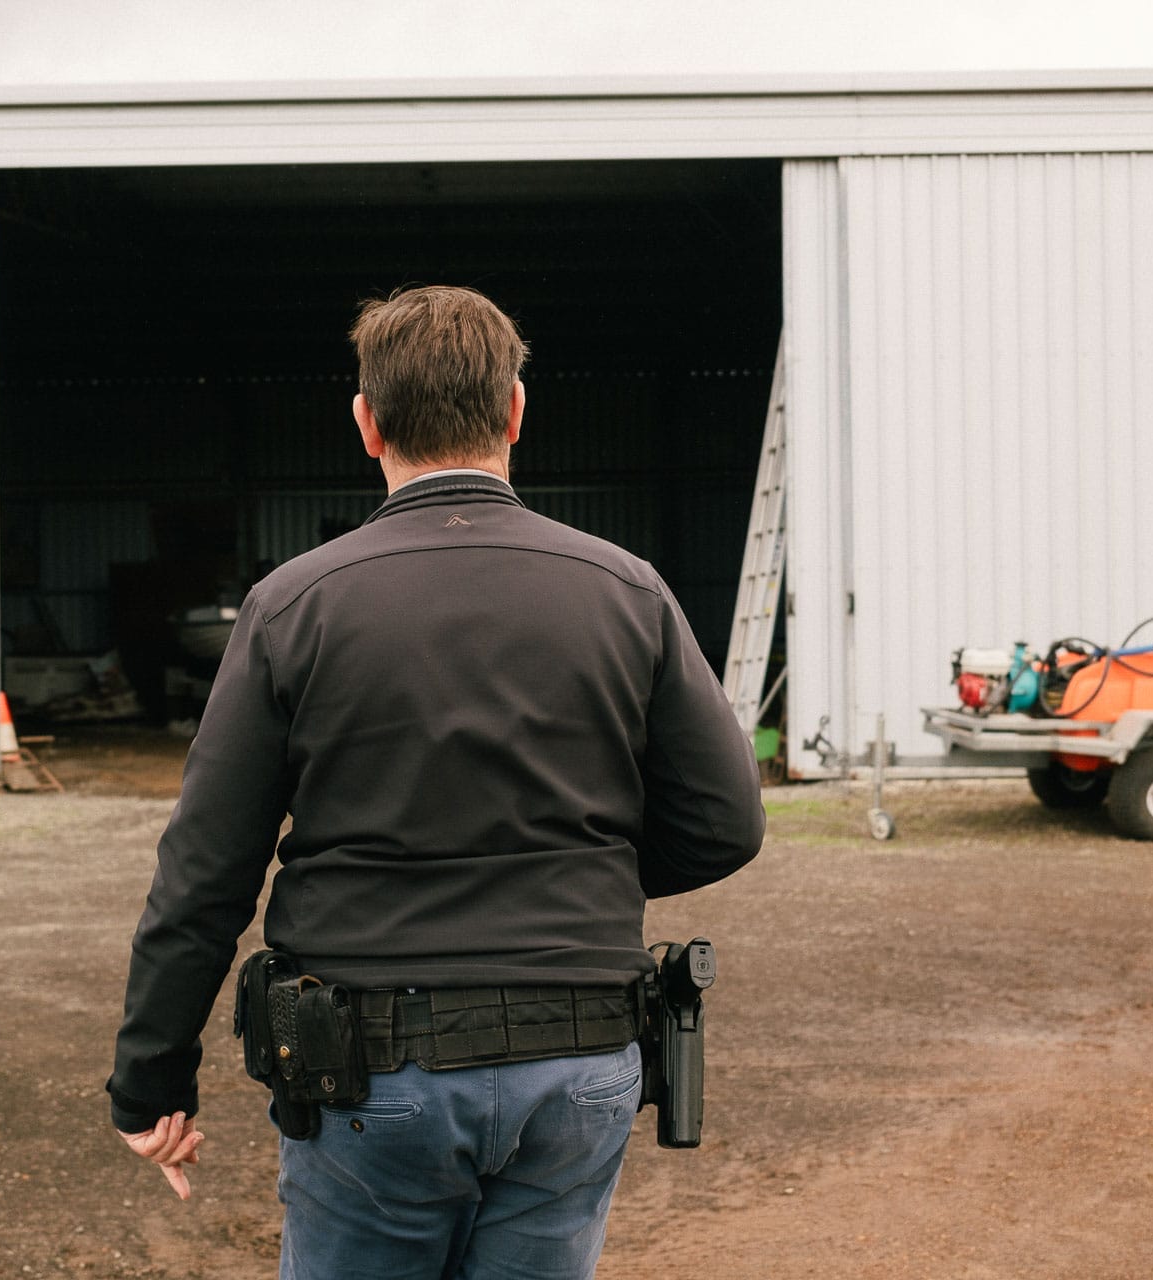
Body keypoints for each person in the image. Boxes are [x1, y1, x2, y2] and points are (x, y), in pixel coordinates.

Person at [109, 284, 764, 1279]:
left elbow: (205, 871)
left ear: (366, 424)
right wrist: (584, 869)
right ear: (514, 411)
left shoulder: (294, 606)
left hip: (374, 1073)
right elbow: (726, 821)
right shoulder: (627, 591)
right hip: (578, 1062)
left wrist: (151, 1076)